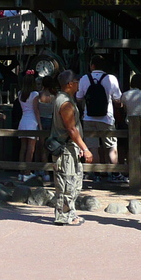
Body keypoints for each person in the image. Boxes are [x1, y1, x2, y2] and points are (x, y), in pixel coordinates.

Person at [50, 70, 92, 226]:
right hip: (66, 148)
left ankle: (70, 213)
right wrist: (85, 148)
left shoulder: (65, 99)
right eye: (76, 81)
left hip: (70, 147)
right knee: (66, 183)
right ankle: (63, 215)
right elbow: (71, 129)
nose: (78, 84)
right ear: (69, 84)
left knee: (73, 182)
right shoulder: (65, 102)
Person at [76, 56, 123, 183]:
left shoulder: (85, 79)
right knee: (111, 146)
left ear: (92, 65)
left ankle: (96, 173)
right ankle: (115, 173)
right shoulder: (111, 78)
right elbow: (118, 99)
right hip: (106, 118)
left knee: (93, 147)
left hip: (88, 117)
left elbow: (79, 97)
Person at [16, 72, 40, 182]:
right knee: (31, 148)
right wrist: (39, 124)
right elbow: (35, 110)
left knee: (23, 148)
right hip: (32, 121)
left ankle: (21, 172)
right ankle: (27, 172)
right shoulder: (35, 94)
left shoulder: (20, 93)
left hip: (23, 120)